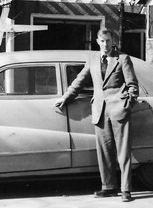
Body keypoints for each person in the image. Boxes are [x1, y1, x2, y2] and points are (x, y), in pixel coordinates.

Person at [54, 28, 138, 202]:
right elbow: (79, 81)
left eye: (108, 41)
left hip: (119, 110)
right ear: (97, 42)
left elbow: (133, 86)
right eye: (102, 41)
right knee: (104, 151)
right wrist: (65, 97)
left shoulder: (123, 58)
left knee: (123, 152)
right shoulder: (92, 60)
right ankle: (108, 187)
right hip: (100, 110)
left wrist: (127, 104)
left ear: (112, 41)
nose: (105, 44)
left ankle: (126, 190)